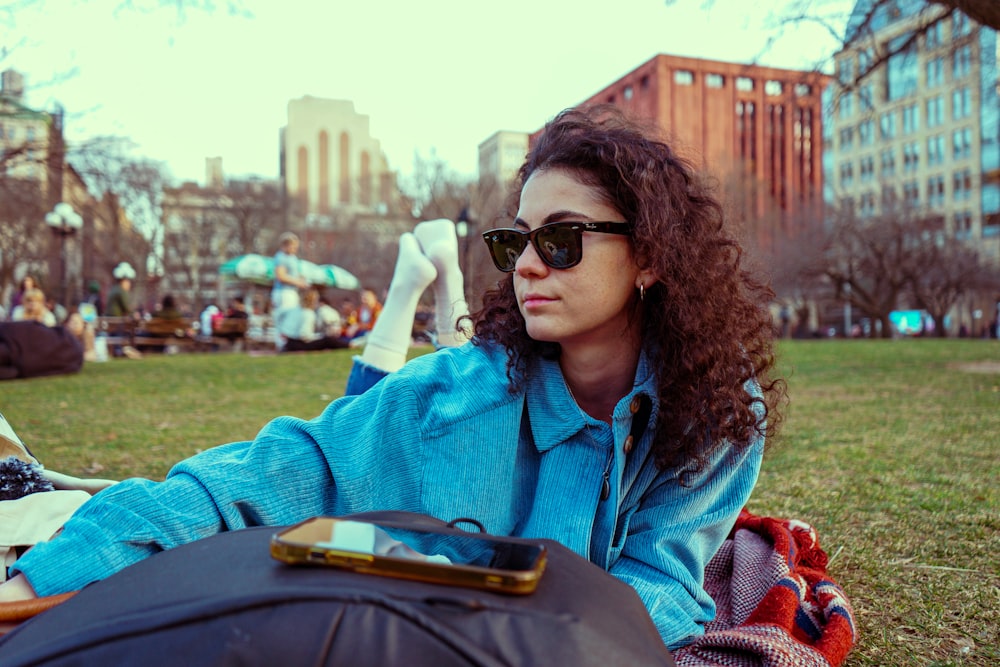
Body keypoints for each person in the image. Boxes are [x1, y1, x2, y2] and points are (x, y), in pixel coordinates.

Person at [1, 107, 784, 651]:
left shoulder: (716, 412)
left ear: (649, 255)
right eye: (516, 244)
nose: (531, 265)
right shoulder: (451, 401)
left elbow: (660, 586)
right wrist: (42, 580)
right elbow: (248, 479)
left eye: (565, 239)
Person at [274, 288, 350, 352]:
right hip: (299, 345)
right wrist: (319, 337)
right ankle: (349, 345)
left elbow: (279, 315)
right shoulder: (308, 313)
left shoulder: (296, 309)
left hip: (290, 343)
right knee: (328, 340)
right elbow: (305, 336)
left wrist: (283, 330)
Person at [104, 262, 142, 360]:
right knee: (121, 331)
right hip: (116, 318)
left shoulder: (115, 289)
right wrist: (134, 314)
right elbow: (126, 307)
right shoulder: (121, 291)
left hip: (110, 317)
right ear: (124, 281)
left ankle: (117, 350)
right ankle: (119, 350)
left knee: (117, 332)